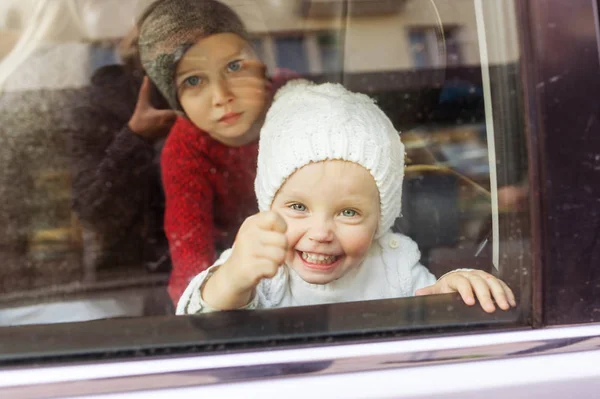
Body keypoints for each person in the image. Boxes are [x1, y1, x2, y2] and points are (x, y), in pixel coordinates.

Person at [176, 80, 517, 315]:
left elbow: (427, 310)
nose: (321, 232)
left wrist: (450, 290)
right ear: (268, 208)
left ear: (381, 220)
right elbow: (196, 316)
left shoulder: (394, 265)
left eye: (349, 212)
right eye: (298, 207)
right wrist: (233, 280)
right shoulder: (261, 265)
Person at [138, 0, 281, 303]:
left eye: (234, 66)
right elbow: (191, 260)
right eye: (193, 81)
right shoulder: (184, 148)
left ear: (260, 67)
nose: (222, 96)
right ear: (176, 102)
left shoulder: (294, 104)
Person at [69, 23, 176, 277]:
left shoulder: (226, 102)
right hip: (125, 279)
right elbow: (95, 214)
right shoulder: (97, 108)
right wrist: (136, 136)